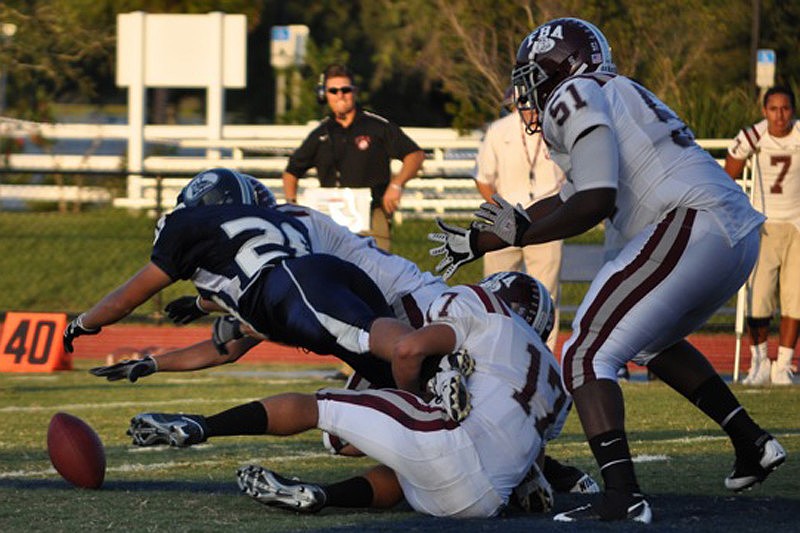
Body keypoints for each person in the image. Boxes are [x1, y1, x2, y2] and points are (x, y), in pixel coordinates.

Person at [427, 17, 786, 524]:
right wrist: (478, 241)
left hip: (691, 221)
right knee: (647, 344)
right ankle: (752, 442)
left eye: (532, 75)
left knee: (583, 353)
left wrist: (520, 234)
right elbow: (570, 197)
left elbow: (596, 201)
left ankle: (622, 494)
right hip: (731, 234)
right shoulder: (614, 95)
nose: (526, 91)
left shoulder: (572, 94)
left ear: (560, 68)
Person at [124, 272, 572, 518]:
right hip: (481, 503)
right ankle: (320, 496)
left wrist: (414, 398)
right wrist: (535, 478)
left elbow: (411, 347)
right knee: (403, 468)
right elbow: (533, 443)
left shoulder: (482, 317)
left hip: (441, 443)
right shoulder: (554, 378)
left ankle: (202, 425)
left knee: (318, 408)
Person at [63, 168, 398, 387]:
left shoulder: (187, 226)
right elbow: (232, 341)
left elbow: (124, 299)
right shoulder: (284, 226)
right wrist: (154, 362)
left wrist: (82, 323)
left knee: (363, 403)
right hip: (332, 278)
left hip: (291, 299)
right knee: (396, 377)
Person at [281, 64, 425, 251]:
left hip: (371, 213)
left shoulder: (376, 126)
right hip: (330, 219)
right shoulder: (320, 134)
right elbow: (292, 171)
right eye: (333, 90)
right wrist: (293, 206)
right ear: (325, 95)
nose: (340, 95)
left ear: (354, 92)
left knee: (377, 272)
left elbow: (415, 154)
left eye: (345, 89)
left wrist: (397, 184)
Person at [474, 89, 566, 351]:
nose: (529, 109)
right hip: (506, 220)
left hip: (547, 220)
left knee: (546, 293)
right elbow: (483, 179)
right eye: (523, 103)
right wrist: (502, 213)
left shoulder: (555, 129)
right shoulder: (499, 130)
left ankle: (544, 355)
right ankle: (497, 352)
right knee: (496, 290)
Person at [724, 86, 800, 386]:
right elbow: (731, 167)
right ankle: (759, 362)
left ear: (793, 110)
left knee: (795, 299)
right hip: (764, 224)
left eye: (785, 109)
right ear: (764, 111)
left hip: (796, 225)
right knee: (759, 299)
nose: (779, 115)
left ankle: (783, 364)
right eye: (773, 109)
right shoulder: (754, 135)